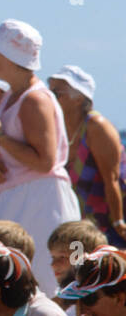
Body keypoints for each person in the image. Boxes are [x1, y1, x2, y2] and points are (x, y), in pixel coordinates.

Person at [0, 20, 80, 298]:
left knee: (43, 284)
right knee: (18, 284)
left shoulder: (35, 100)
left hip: (40, 203)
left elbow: (45, 161)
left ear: (10, 57)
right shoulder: (13, 95)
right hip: (23, 200)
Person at [49, 65, 126, 250]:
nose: (50, 98)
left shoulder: (96, 126)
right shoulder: (57, 127)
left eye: (56, 93)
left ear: (79, 98)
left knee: (109, 273)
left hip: (108, 222)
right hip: (81, 223)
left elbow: (112, 180)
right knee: (79, 271)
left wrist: (118, 223)